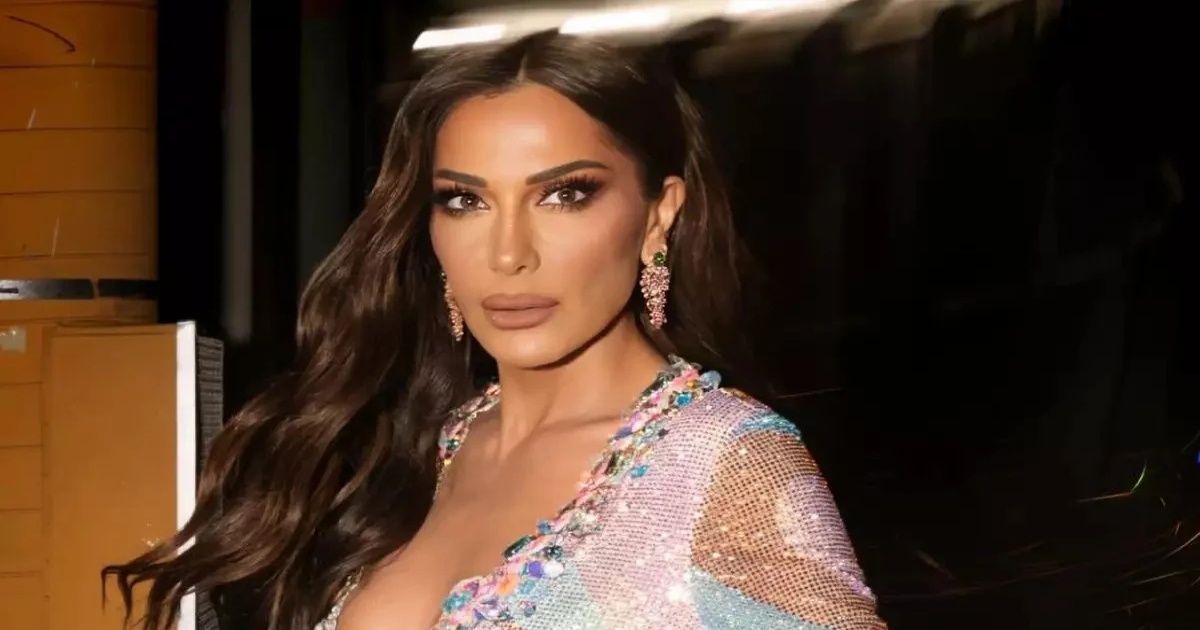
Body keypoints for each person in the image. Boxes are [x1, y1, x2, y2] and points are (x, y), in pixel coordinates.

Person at [106, 33, 886, 630]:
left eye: (565, 195)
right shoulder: (421, 448)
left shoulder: (727, 462)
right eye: (465, 201)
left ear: (659, 214)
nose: (508, 254)